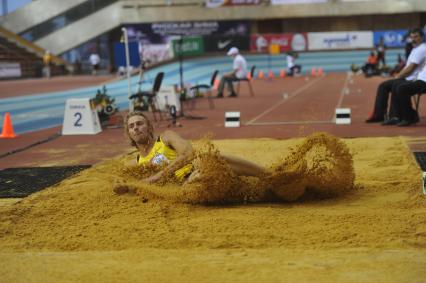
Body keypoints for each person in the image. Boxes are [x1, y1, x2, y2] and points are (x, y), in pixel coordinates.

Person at [123, 111, 265, 184]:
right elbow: (130, 184)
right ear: (129, 133)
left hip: (196, 170)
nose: (136, 128)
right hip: (186, 188)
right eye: (131, 126)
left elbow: (188, 153)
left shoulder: (166, 137)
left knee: (211, 160)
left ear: (149, 127)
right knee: (198, 181)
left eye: (139, 123)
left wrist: (156, 177)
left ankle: (269, 175)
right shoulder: (135, 163)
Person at [365, 28, 426, 123]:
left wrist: (398, 76)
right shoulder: (415, 49)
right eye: (412, 37)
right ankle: (379, 115)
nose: (413, 39)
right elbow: (407, 66)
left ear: (422, 37)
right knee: (383, 86)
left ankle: (396, 116)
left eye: (416, 37)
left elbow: (411, 68)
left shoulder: (422, 49)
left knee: (395, 84)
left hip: (412, 78)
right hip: (407, 77)